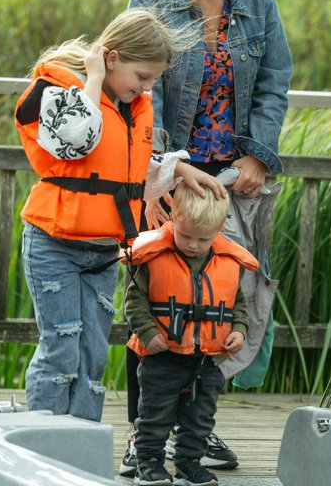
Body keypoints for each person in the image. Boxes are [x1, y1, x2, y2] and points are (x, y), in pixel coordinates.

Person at [122, 0, 293, 474]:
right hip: (169, 176)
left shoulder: (259, 1)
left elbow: (274, 85)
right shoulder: (151, 1)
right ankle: (142, 437)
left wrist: (257, 156)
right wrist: (165, 174)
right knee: (156, 302)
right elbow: (140, 96)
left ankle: (198, 433)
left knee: (220, 305)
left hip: (232, 184)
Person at [13, 7, 227, 421]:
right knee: (61, 349)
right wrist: (92, 78)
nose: (146, 88)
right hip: (54, 245)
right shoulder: (60, 92)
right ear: (110, 58)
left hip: (102, 252)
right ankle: (40, 448)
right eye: (142, 77)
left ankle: (80, 444)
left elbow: (125, 165)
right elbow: (78, 138)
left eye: (152, 80)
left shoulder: (128, 105)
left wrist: (181, 168)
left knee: (93, 353)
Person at [124, 182, 257, 486]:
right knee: (155, 416)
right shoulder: (155, 256)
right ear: (173, 219)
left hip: (207, 361)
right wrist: (146, 332)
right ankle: (149, 465)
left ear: (219, 229)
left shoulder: (226, 260)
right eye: (185, 236)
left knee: (199, 419)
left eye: (203, 239)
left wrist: (238, 330)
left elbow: (237, 302)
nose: (194, 245)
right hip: (162, 357)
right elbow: (134, 301)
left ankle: (189, 465)